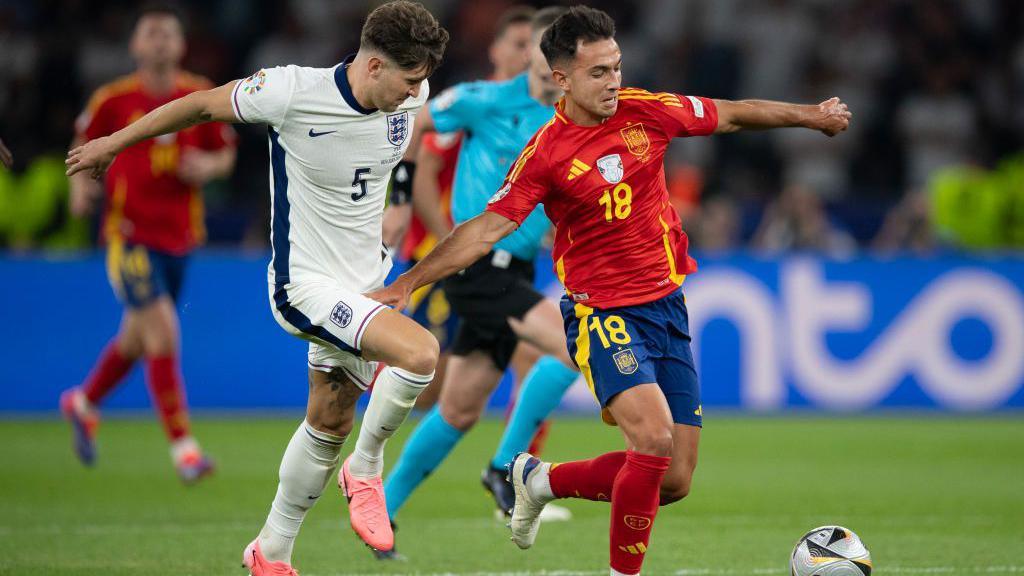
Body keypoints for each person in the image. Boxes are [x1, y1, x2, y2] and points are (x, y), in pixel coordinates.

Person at [368, 6, 850, 575]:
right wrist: (407, 282)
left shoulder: (646, 111)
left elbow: (732, 115)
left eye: (616, 67)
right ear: (563, 79)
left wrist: (811, 115)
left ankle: (538, 478)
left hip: (667, 309)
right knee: (650, 438)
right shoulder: (546, 151)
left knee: (673, 479)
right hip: (601, 314)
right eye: (599, 73)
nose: (614, 82)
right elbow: (485, 228)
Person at [65, 2, 449, 573]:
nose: (419, 91)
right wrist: (113, 143)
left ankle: (271, 550)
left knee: (330, 419)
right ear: (372, 67)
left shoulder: (409, 96)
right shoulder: (291, 90)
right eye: (411, 79)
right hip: (305, 284)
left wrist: (396, 202)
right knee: (420, 354)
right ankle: (366, 469)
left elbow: (409, 139)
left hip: (367, 281)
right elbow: (199, 106)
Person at [380, 9, 578, 556]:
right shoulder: (485, 100)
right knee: (572, 347)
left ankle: (380, 508)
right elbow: (417, 119)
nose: (545, 56)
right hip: (474, 267)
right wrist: (400, 197)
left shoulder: (569, 117)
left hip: (517, 269)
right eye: (537, 45)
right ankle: (504, 469)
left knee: (460, 409)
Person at [59, 5, 237, 483]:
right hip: (128, 235)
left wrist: (209, 168)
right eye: (150, 34)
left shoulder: (199, 95)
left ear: (180, 46)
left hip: (180, 237)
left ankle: (83, 402)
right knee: (161, 331)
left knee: (136, 339)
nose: (159, 41)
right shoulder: (113, 101)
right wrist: (80, 189)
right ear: (136, 46)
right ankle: (185, 450)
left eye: (167, 34)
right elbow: (81, 145)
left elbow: (226, 154)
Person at [399, 5, 536, 411]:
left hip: (497, 257)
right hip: (443, 252)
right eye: (519, 44)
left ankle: (512, 463)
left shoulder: (538, 113)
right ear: (495, 50)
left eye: (535, 46)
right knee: (427, 384)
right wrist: (451, 244)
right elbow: (424, 170)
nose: (528, 55)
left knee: (526, 357)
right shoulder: (473, 103)